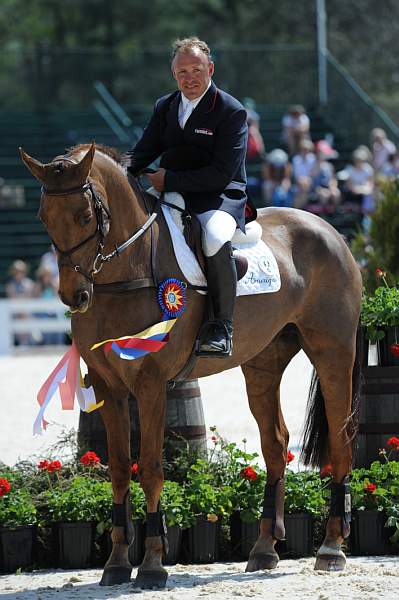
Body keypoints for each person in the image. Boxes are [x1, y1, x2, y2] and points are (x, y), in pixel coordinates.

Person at [123, 37, 248, 357]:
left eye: (196, 70)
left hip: (219, 195)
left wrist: (171, 179)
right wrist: (121, 172)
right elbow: (144, 150)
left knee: (213, 238)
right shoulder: (165, 106)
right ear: (173, 74)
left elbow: (222, 172)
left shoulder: (230, 111)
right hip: (173, 189)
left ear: (211, 69)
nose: (189, 78)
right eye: (182, 72)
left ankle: (222, 327)